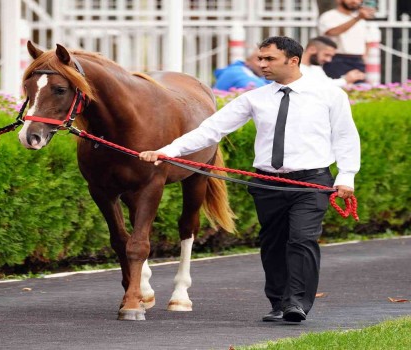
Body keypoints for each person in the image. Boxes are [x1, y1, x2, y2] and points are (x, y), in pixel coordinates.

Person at [139, 36, 360, 323]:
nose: (261, 64)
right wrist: (167, 151)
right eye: (260, 58)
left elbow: (345, 136)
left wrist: (346, 177)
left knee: (302, 240)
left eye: (269, 59)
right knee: (273, 244)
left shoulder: (329, 94)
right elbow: (211, 130)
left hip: (311, 182)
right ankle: (279, 302)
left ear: (293, 60)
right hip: (266, 182)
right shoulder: (255, 98)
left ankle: (297, 303)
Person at [318, 0, 376, 79]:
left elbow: (368, 41)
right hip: (336, 59)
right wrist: (357, 18)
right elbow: (332, 32)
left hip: (358, 61)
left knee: (359, 89)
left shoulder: (361, 20)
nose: (354, 1)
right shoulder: (328, 16)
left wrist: (364, 59)